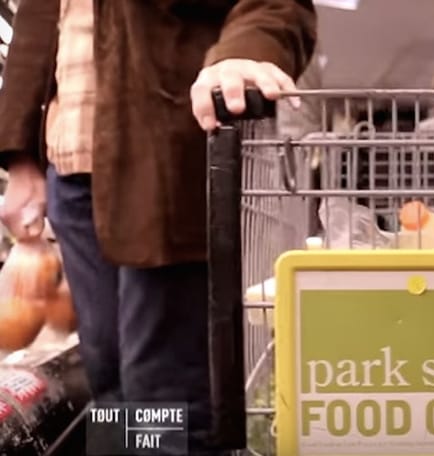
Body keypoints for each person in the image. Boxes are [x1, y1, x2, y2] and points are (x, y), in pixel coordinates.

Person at [0, 0, 316, 453]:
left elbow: (277, 5)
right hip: (70, 169)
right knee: (108, 376)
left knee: (163, 385)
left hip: (162, 161)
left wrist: (243, 52)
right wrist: (22, 158)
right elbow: (38, 23)